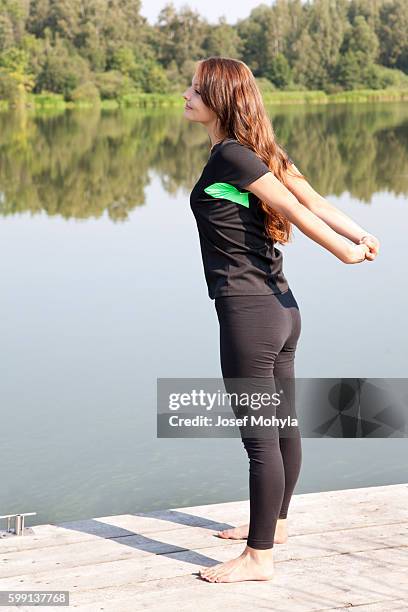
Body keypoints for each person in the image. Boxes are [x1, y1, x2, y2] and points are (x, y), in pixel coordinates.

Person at [182, 56, 380, 584]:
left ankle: (259, 556)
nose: (186, 94)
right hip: (282, 310)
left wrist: (346, 250)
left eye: (196, 88)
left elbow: (296, 210)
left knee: (259, 437)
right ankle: (276, 525)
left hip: (249, 314)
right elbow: (310, 198)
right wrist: (360, 233)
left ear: (219, 99)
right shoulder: (257, 154)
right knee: (281, 425)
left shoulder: (231, 157)